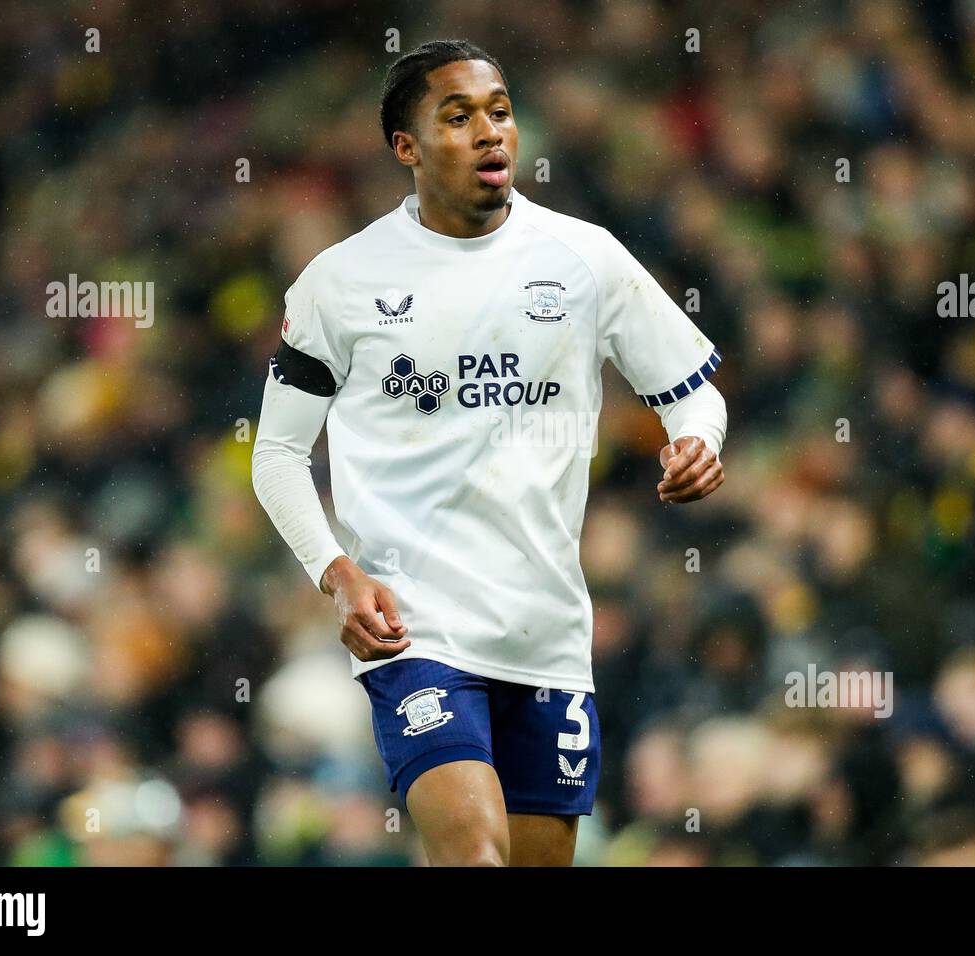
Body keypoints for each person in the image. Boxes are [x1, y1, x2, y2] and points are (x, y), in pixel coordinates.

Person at [251, 39, 727, 866]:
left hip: (546, 631)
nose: (489, 133)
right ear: (406, 147)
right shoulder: (342, 279)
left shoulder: (585, 258)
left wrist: (697, 439)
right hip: (417, 630)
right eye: (458, 116)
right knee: (476, 856)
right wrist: (338, 573)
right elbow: (278, 454)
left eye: (499, 112)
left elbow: (693, 388)